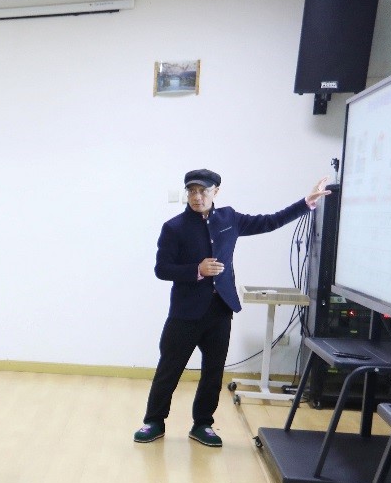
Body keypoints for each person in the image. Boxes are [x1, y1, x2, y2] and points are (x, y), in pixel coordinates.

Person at [134, 169, 330, 447]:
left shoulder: (229, 219)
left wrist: (305, 204)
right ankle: (154, 421)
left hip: (220, 310)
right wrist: (197, 270)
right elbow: (162, 269)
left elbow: (270, 221)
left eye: (203, 191)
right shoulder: (174, 227)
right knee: (169, 369)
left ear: (216, 191)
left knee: (213, 372)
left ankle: (203, 424)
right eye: (192, 191)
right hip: (185, 313)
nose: (197, 196)